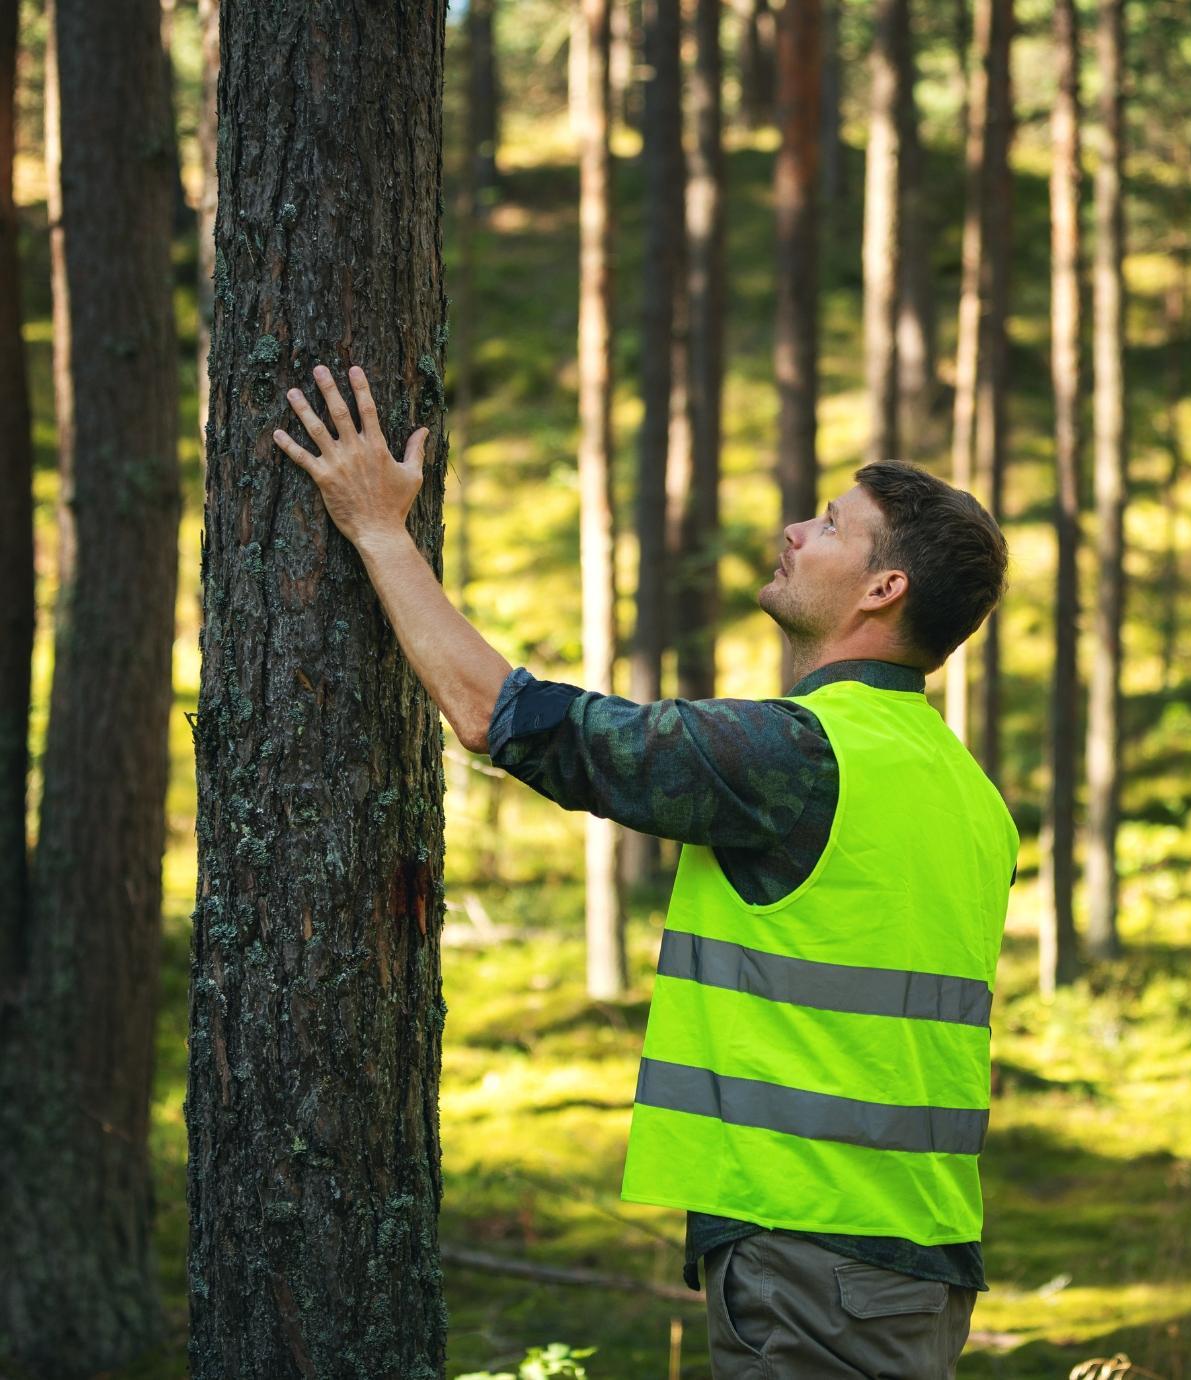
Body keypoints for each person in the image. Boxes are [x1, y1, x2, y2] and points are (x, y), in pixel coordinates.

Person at [273, 363, 1018, 1379]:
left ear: (884, 590)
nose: (796, 531)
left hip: (814, 1262)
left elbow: (509, 718)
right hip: (911, 1261)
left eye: (832, 526)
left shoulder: (802, 758)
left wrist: (378, 532)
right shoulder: (965, 791)